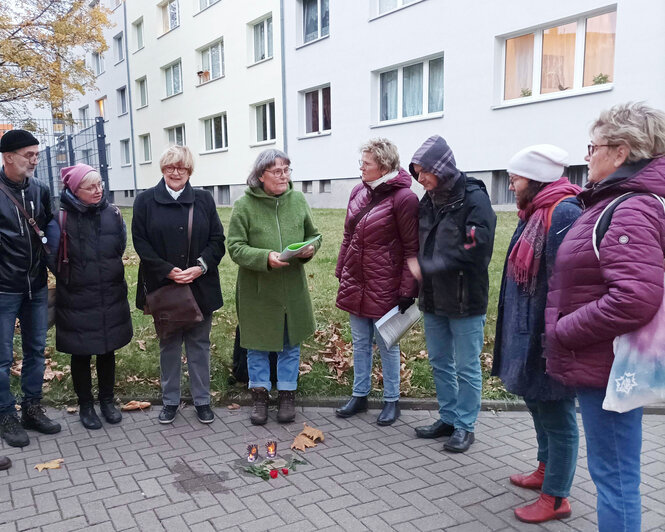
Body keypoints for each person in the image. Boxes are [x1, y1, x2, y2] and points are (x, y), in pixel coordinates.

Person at [545, 102, 665, 532]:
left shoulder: (630, 206)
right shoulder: (613, 202)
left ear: (621, 152)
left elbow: (634, 296)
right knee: (613, 475)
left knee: (615, 478)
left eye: (592, 146)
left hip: (607, 364)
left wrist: (565, 331)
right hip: (602, 362)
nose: (587, 155)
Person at [491, 145, 582, 523]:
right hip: (529, 332)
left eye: (515, 179)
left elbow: (571, 283)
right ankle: (545, 470)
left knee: (558, 414)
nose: (511, 186)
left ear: (536, 177)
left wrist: (555, 337)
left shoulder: (562, 211)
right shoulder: (536, 210)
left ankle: (557, 497)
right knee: (537, 403)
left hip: (550, 337)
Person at [407, 135, 496, 453]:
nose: (421, 179)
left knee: (466, 365)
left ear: (441, 167)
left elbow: (477, 250)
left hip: (465, 298)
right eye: (416, 173)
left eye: (424, 172)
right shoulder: (428, 200)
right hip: (432, 297)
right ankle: (447, 417)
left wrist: (429, 267)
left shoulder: (474, 199)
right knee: (440, 361)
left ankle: (465, 426)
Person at [132, 145, 225, 425]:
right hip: (164, 287)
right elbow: (141, 242)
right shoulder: (146, 200)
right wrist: (167, 271)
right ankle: (170, 401)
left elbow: (217, 240)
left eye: (182, 168)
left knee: (199, 344)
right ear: (162, 169)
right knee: (169, 345)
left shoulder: (204, 199)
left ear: (189, 171)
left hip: (200, 285)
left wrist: (200, 266)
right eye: (170, 167)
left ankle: (202, 401)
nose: (176, 172)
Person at [227, 149, 320, 425]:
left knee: (289, 343)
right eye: (277, 171)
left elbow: (314, 235)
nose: (284, 176)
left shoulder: (298, 200)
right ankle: (260, 396)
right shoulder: (244, 205)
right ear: (260, 176)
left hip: (291, 287)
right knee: (257, 345)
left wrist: (310, 248)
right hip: (258, 289)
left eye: (287, 169)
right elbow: (234, 247)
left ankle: (287, 395)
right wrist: (264, 257)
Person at [335, 138, 419, 425]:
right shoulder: (358, 191)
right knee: (359, 343)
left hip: (386, 284)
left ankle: (391, 400)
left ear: (383, 166)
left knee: (387, 343)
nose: (361, 167)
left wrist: (408, 290)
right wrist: (340, 271)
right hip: (356, 280)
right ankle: (360, 396)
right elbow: (349, 235)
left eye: (366, 163)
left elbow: (411, 248)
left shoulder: (404, 199)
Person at [55, 164, 133, 430]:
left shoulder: (113, 214)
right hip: (76, 296)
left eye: (100, 184)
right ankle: (86, 405)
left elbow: (120, 246)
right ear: (74, 190)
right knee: (81, 352)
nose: (98, 190)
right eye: (90, 187)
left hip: (109, 293)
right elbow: (53, 257)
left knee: (107, 350)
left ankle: (107, 401)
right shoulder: (61, 218)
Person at [0, 129, 61, 448]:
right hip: (4, 290)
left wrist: (54, 264)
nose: (35, 160)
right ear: (8, 157)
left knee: (36, 350)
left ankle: (32, 408)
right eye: (29, 155)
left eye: (37, 154)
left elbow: (50, 227)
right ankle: (5, 414)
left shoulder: (41, 189)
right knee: (1, 357)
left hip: (36, 286)